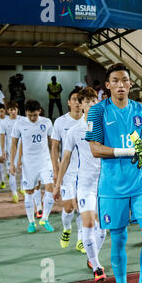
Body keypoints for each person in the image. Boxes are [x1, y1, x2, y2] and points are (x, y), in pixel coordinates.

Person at [85, 63, 142, 283]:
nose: (120, 85)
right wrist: (126, 152)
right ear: (107, 86)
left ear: (130, 83)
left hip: (140, 185)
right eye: (114, 81)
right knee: (118, 239)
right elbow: (95, 149)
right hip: (112, 187)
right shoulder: (98, 111)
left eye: (124, 80)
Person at [54, 87, 107, 282]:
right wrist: (58, 183)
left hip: (106, 184)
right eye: (87, 101)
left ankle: (92, 259)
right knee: (88, 222)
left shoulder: (107, 125)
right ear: (81, 105)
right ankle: (97, 268)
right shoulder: (75, 131)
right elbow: (65, 157)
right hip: (85, 183)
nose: (92, 104)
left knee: (102, 228)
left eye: (95, 101)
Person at [10, 99, 55, 233]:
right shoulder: (19, 123)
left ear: (39, 111)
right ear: (25, 113)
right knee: (29, 192)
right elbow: (13, 144)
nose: (32, 118)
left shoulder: (46, 122)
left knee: (50, 188)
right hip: (28, 164)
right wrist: (12, 162)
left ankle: (45, 218)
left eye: (35, 115)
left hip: (44, 160)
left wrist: (55, 160)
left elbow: (53, 142)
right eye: (30, 115)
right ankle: (31, 222)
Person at [51, 89, 85, 254]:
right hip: (68, 173)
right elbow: (54, 148)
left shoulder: (89, 122)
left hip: (85, 173)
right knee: (69, 207)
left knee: (82, 207)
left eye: (80, 100)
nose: (77, 103)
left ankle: (80, 240)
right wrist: (56, 171)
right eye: (74, 100)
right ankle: (66, 229)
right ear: (68, 103)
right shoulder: (60, 122)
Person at [0, 101, 25, 203]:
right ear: (8, 111)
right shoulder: (4, 122)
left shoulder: (23, 120)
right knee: (12, 172)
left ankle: (22, 188)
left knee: (25, 171)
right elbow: (2, 137)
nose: (13, 111)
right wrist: (3, 150)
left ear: (17, 109)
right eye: (11, 110)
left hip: (24, 150)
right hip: (12, 151)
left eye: (15, 109)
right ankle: (14, 194)